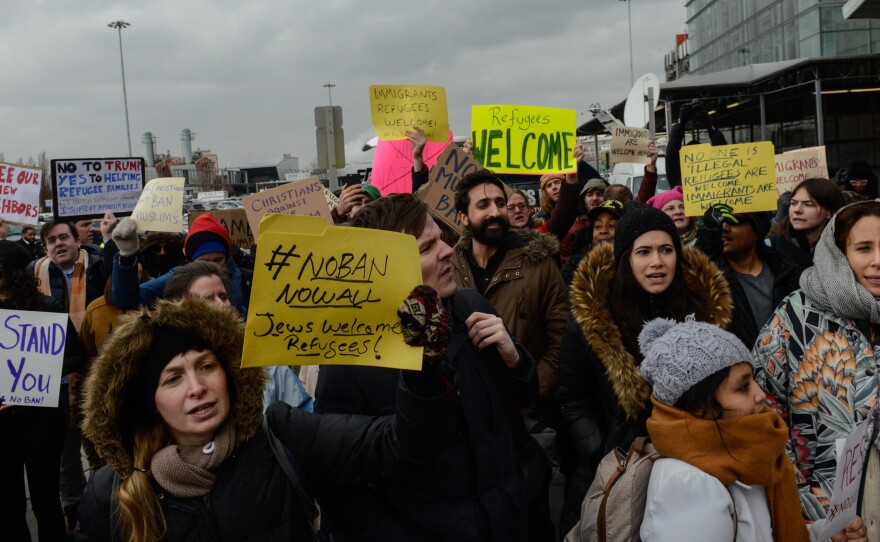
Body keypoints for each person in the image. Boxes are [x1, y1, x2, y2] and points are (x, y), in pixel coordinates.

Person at [75, 295, 461, 541]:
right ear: (150, 402)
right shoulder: (109, 495)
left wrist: (423, 370)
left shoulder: (282, 435)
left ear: (229, 372)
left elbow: (403, 445)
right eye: (173, 378)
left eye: (206, 366)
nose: (197, 387)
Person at [314, 193, 540, 541]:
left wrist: (515, 360)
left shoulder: (469, 307)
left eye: (441, 240)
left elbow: (522, 403)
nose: (448, 251)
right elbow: (343, 486)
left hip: (508, 519)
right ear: (383, 267)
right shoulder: (348, 361)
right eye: (426, 247)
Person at [555, 201, 733, 538]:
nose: (657, 262)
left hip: (694, 472)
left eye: (666, 249)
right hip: (614, 473)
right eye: (644, 252)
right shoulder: (593, 321)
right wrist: (605, 452)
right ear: (625, 258)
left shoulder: (702, 312)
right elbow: (573, 399)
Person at [636, 317, 832, 542]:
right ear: (701, 407)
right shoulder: (687, 485)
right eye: (743, 387)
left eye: (753, 380)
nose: (760, 395)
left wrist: (826, 536)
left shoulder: (742, 455)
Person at [754, 200, 880, 541]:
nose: (877, 261)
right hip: (825, 518)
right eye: (864, 248)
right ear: (838, 253)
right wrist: (806, 504)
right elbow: (763, 416)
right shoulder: (794, 319)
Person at [452, 169, 568, 419]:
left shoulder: (540, 264)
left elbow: (561, 341)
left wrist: (530, 393)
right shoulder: (449, 268)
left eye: (500, 203)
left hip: (527, 416)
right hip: (467, 417)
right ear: (463, 216)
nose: (495, 211)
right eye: (483, 205)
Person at [0, 240, 86, 542]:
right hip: (2, 424)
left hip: (41, 419)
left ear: (12, 273)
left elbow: (77, 355)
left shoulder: (45, 307)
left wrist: (40, 370)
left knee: (46, 501)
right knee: (8, 506)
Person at [697, 203, 801, 347]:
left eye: (734, 221)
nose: (724, 227)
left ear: (756, 231)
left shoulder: (787, 273)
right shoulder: (709, 277)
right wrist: (707, 240)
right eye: (718, 222)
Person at [110, 213, 253, 314]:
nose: (212, 268)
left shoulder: (248, 279)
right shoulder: (179, 278)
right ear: (190, 260)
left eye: (218, 260)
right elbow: (128, 302)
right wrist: (127, 256)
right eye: (203, 262)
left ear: (227, 257)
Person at [771, 178, 846, 268]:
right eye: (793, 203)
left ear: (829, 213)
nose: (797, 210)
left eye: (808, 204)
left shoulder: (846, 248)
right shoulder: (774, 247)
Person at [561, 199, 625, 285]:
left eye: (611, 225)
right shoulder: (574, 266)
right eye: (598, 226)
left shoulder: (632, 265)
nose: (603, 231)